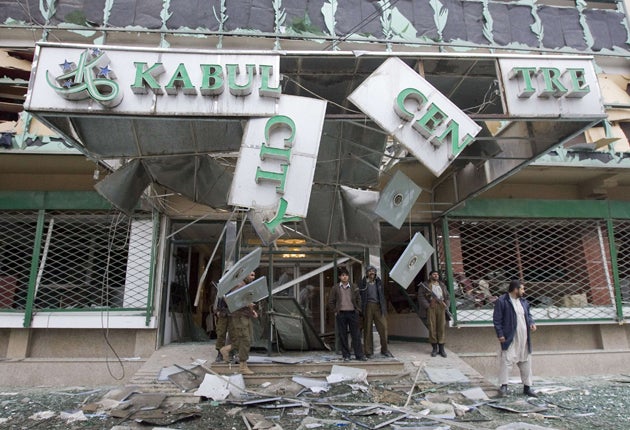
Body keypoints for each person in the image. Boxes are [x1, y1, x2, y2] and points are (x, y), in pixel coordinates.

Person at [493, 279, 538, 397]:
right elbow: (497, 320)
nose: (524, 291)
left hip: (524, 338)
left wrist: (531, 323)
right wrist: (500, 334)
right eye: (522, 289)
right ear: (515, 289)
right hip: (511, 337)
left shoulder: (524, 302)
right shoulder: (502, 301)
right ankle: (504, 386)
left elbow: (528, 315)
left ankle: (527, 387)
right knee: (507, 360)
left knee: (526, 361)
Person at [219, 271, 258, 375]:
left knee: (247, 340)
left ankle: (226, 349)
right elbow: (233, 301)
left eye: (254, 275)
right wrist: (248, 305)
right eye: (251, 275)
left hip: (245, 315)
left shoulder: (244, 285)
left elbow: (246, 301)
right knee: (245, 340)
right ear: (245, 275)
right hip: (240, 316)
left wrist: (252, 310)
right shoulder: (239, 285)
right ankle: (242, 366)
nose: (253, 277)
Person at [328, 267, 367, 362]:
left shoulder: (354, 286)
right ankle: (346, 355)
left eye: (346, 275)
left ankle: (359, 355)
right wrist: (335, 311)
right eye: (342, 275)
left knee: (356, 335)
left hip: (353, 313)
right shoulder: (335, 288)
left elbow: (359, 299)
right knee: (343, 335)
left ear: (348, 276)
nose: (344, 277)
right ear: (339, 277)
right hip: (341, 314)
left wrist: (358, 309)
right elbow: (331, 301)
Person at [359, 265, 393, 358]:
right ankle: (368, 352)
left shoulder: (379, 282)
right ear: (367, 273)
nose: (372, 272)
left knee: (383, 328)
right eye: (370, 271)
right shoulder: (363, 282)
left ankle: (385, 350)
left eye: (373, 271)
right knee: (367, 329)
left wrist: (384, 307)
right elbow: (359, 296)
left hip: (378, 306)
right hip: (368, 306)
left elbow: (383, 294)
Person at [418, 270, 450, 358]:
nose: (436, 276)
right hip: (431, 307)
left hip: (441, 307)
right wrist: (428, 306)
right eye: (434, 274)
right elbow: (421, 296)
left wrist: (446, 304)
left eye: (437, 274)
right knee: (432, 328)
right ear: (430, 276)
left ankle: (442, 349)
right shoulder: (425, 285)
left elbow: (447, 296)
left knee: (441, 327)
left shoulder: (442, 285)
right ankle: (434, 349)